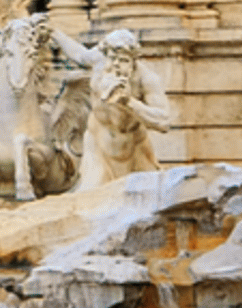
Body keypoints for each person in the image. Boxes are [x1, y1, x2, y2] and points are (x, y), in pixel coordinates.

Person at [53, 29, 168, 192]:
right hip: (98, 146)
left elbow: (164, 122)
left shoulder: (147, 79)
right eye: (112, 58)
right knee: (92, 197)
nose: (115, 64)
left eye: (122, 60)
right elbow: (79, 55)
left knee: (148, 200)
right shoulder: (100, 63)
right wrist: (55, 33)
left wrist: (130, 102)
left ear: (134, 62)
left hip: (135, 150)